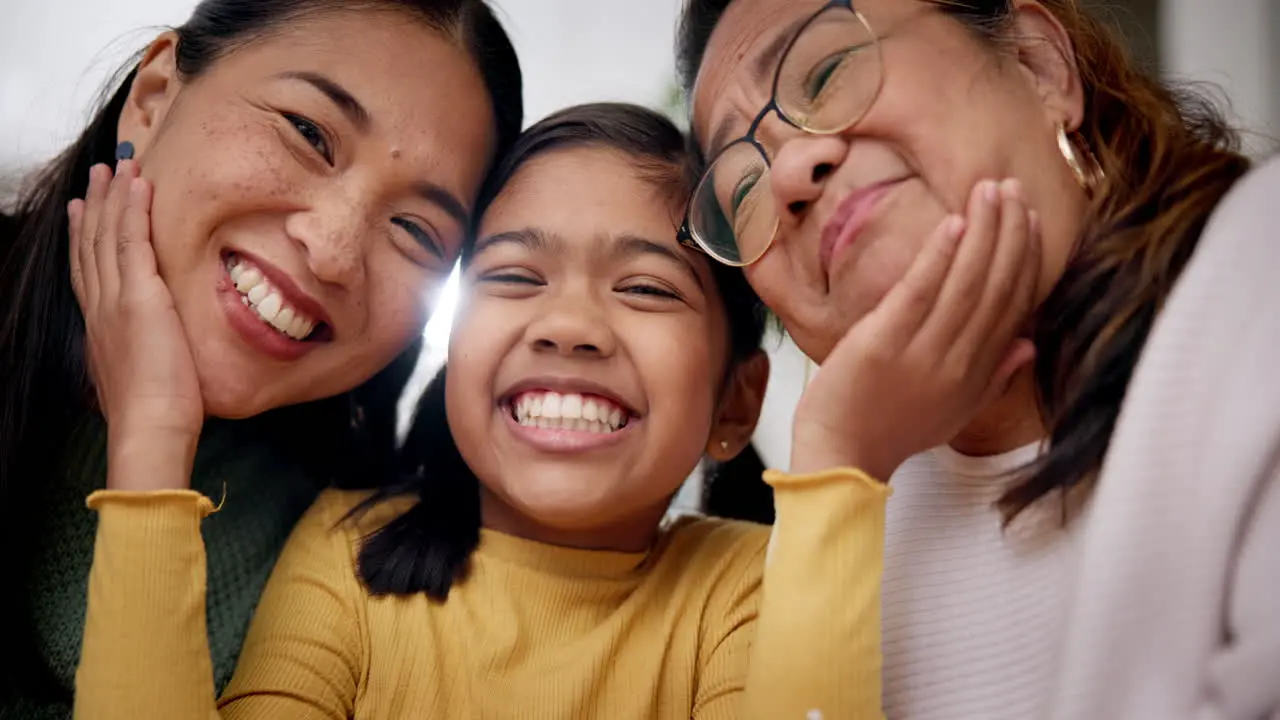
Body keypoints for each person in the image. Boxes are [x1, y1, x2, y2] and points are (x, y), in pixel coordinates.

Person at [73, 98, 1037, 718]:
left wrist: (839, 469)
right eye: (514, 275)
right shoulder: (348, 553)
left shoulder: (751, 591)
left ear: (735, 403)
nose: (570, 325)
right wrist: (151, 445)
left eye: (649, 289)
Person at [676, 0, 1280, 717]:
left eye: (829, 71)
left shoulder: (1257, 278)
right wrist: (835, 467)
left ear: (1038, 65)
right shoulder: (834, 532)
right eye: (741, 190)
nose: (788, 176)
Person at [0, 1, 522, 716]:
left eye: (416, 230)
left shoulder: (354, 557)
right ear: (152, 100)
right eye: (309, 134)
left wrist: (152, 439)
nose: (333, 251)